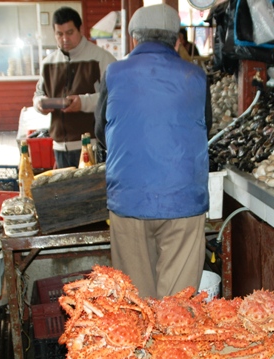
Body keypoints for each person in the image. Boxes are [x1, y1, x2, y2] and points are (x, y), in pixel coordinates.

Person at [94, 4, 212, 299]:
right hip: (183, 202)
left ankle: (143, 345)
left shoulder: (113, 74)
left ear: (134, 39)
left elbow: (100, 131)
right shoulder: (196, 77)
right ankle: (171, 341)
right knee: (176, 307)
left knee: (137, 302)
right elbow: (205, 127)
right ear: (176, 41)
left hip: (129, 201)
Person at [33, 6, 116, 168]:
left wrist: (83, 102)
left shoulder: (102, 58)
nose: (64, 39)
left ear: (81, 29)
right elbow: (38, 94)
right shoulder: (48, 63)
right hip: (59, 146)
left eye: (70, 33)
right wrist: (39, 104)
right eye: (59, 34)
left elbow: (115, 96)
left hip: (93, 145)